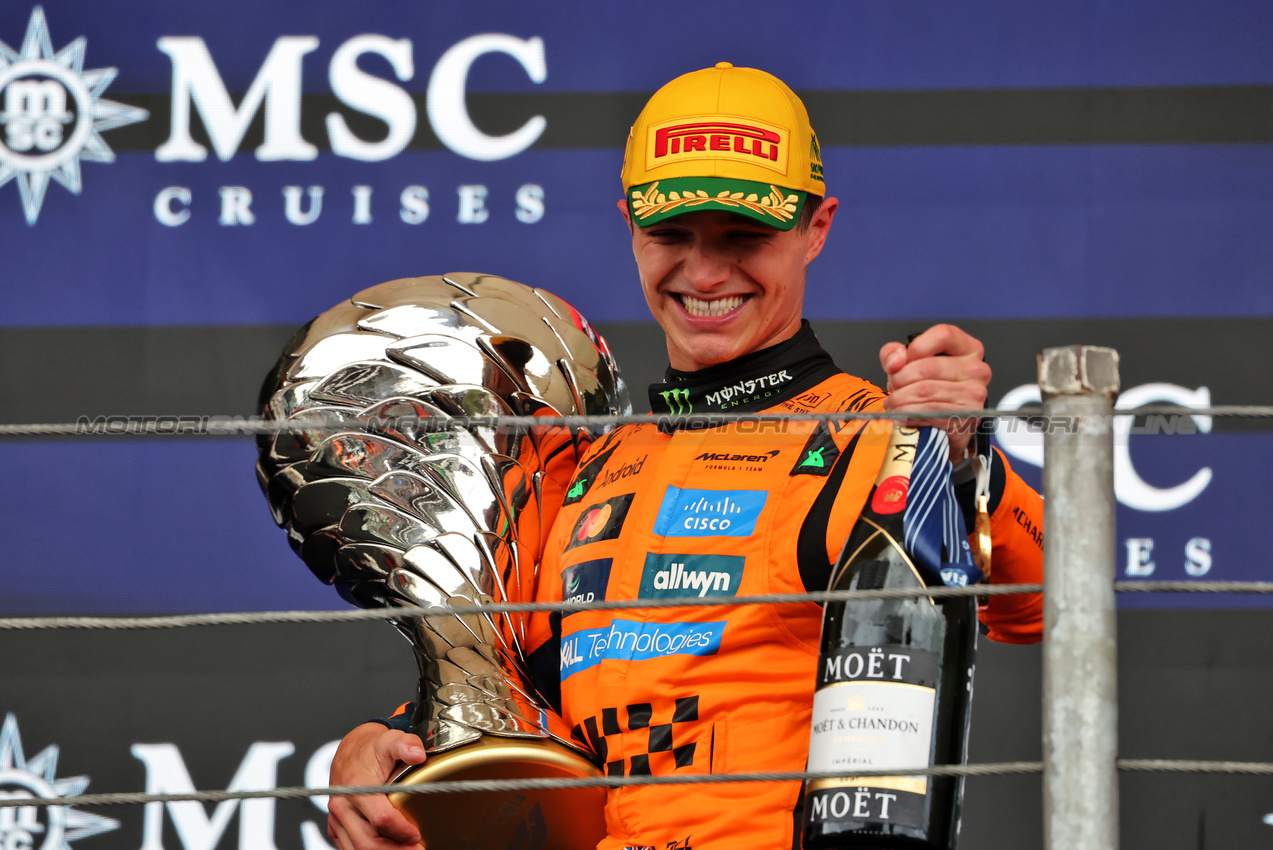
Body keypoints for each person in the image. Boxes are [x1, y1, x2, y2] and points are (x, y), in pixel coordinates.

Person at [324, 63, 1045, 850]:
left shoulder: (868, 435)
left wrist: (960, 460)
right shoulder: (585, 465)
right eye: (671, 235)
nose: (703, 273)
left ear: (816, 228)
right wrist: (383, 743)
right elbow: (509, 691)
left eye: (743, 237)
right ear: (630, 227)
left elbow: (1045, 606)